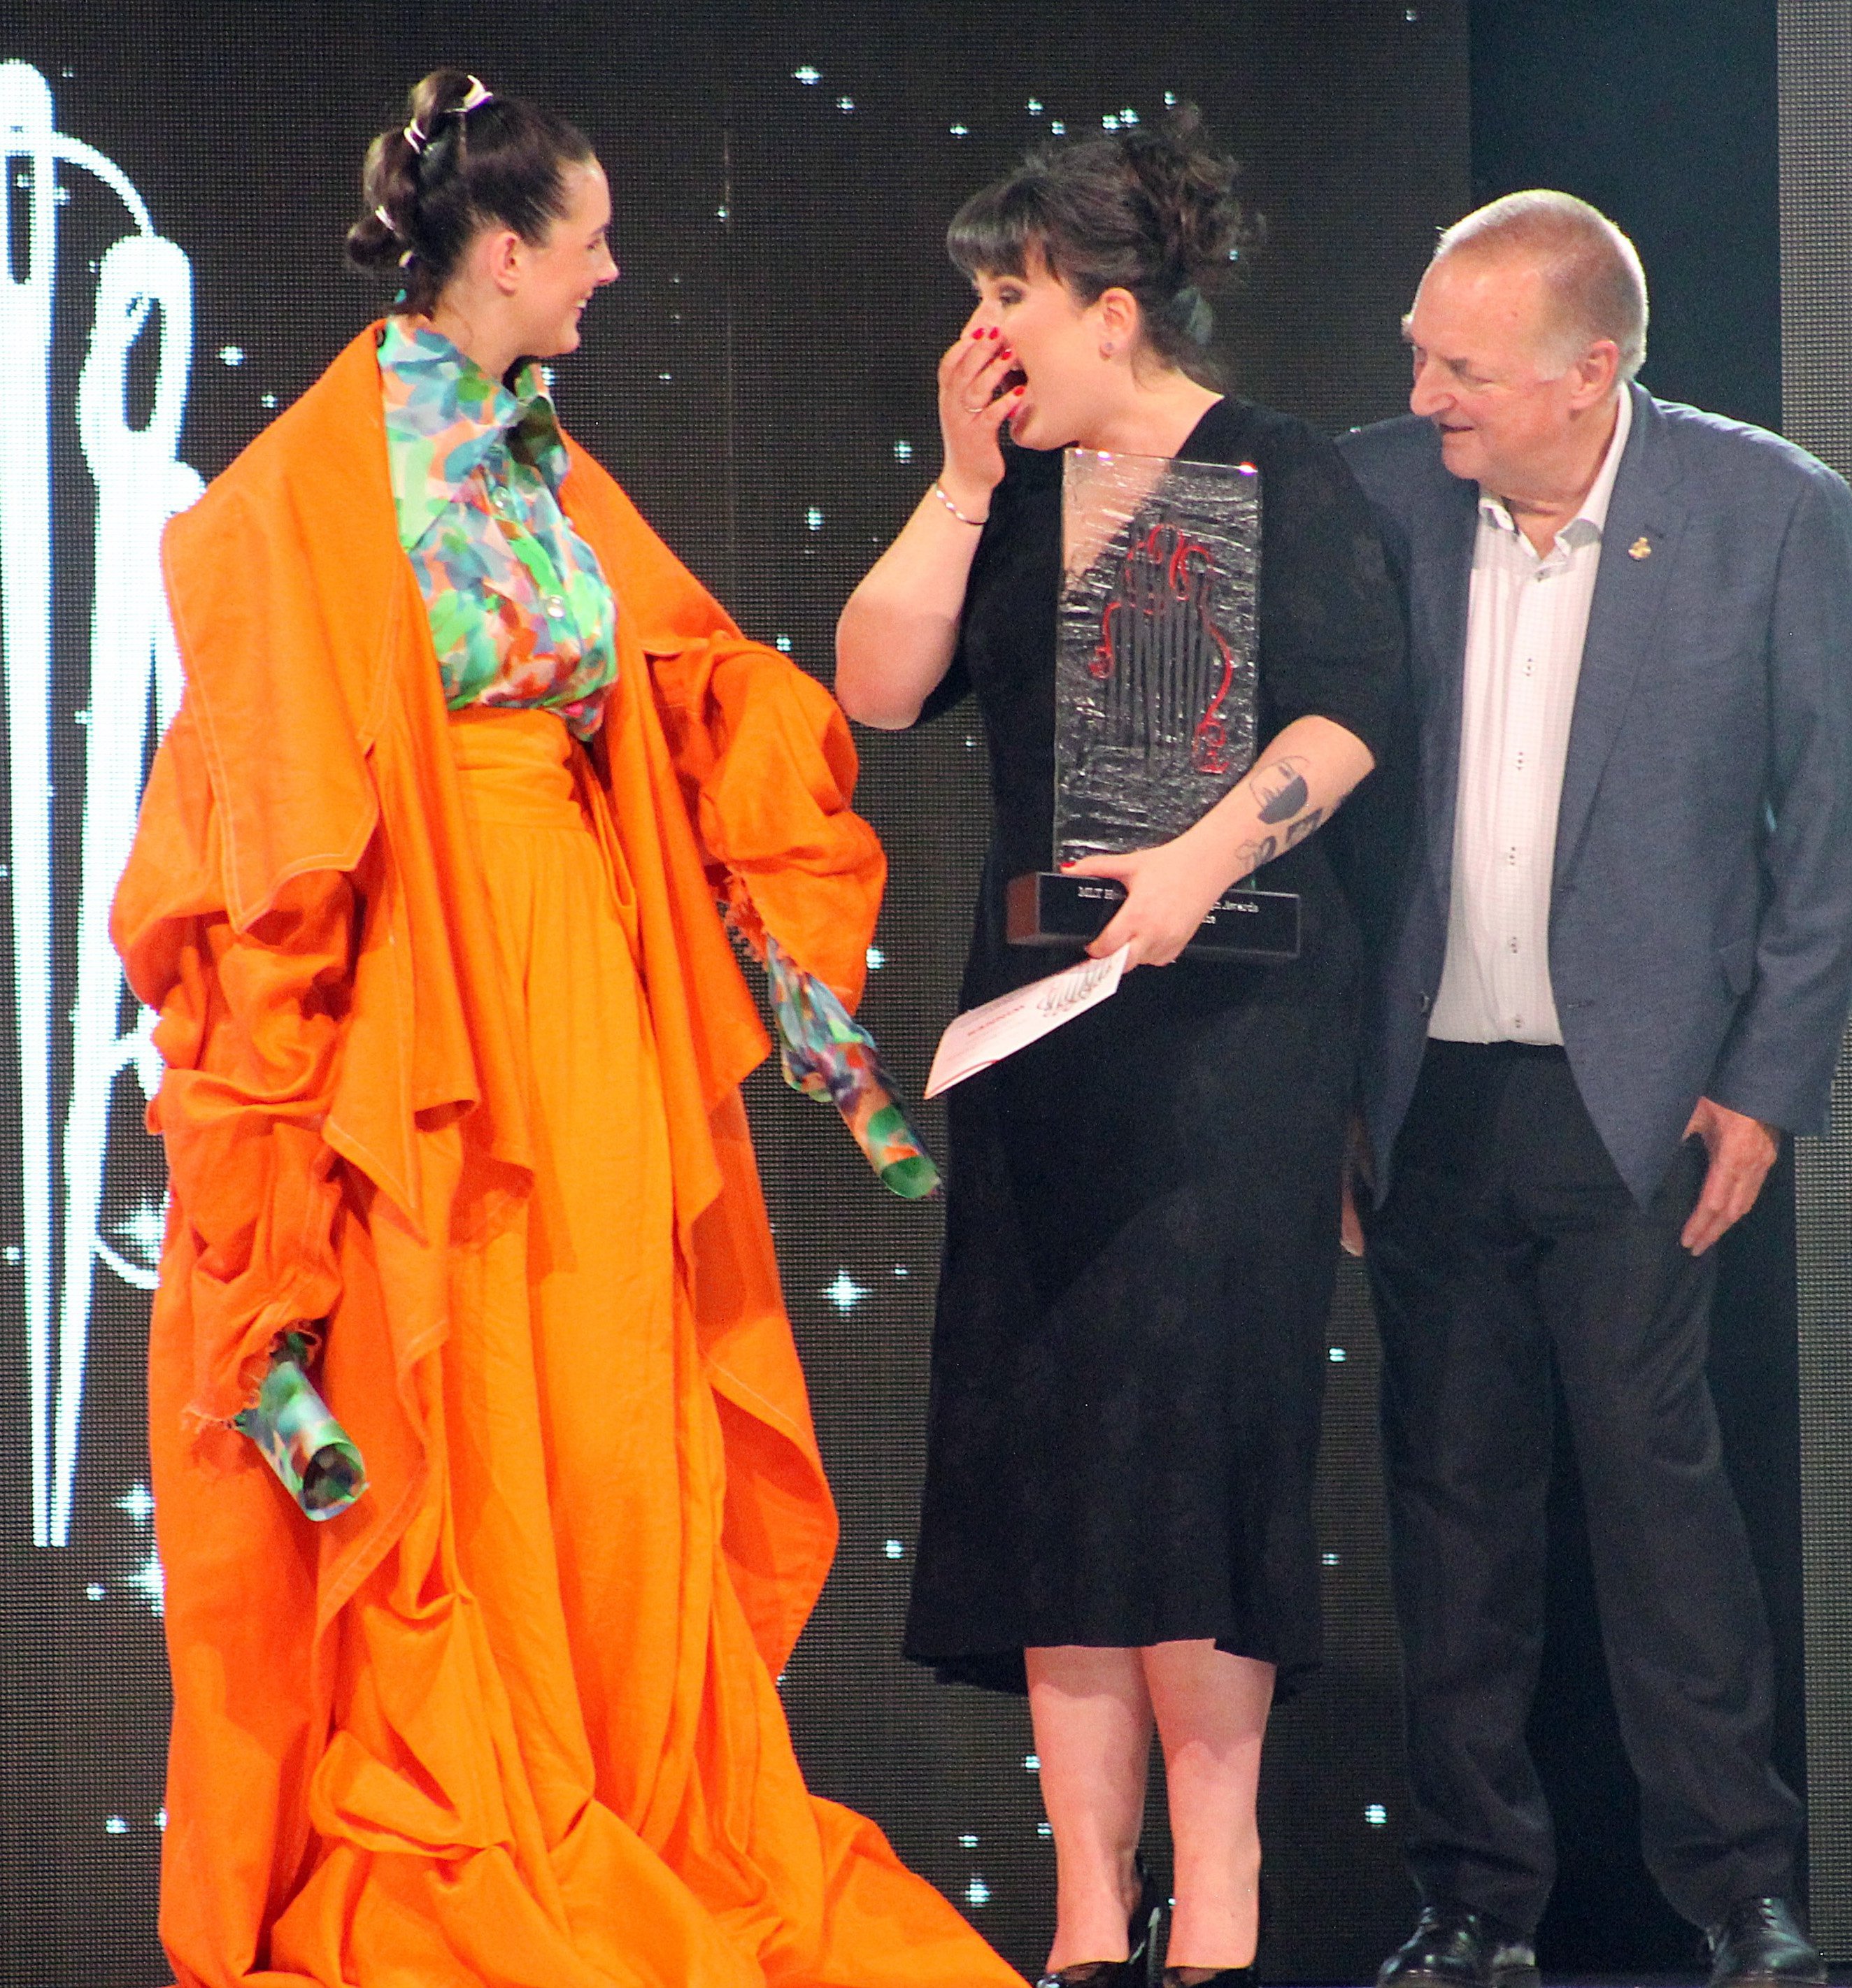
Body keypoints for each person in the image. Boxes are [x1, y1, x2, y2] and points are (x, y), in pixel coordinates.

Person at [111, 69, 1022, 1988]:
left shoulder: (543, 459)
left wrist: (797, 982)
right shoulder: (305, 493)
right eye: (591, 241)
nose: (615, 271)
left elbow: (685, 686)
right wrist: (265, 1140)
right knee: (463, 1400)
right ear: (503, 252)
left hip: (579, 976)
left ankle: (636, 1775)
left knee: (613, 1399)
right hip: (427, 1010)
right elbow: (270, 821)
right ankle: (486, 1794)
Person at [835, 110, 1405, 1988]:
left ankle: (1218, 1899)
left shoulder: (1282, 470)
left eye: (1011, 296)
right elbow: (878, 683)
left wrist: (1204, 854)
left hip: (1233, 1028)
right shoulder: (1002, 486)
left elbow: (1344, 723)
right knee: (1048, 1445)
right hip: (1040, 1034)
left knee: (1195, 1437)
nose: (988, 328)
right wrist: (955, 472)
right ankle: (1089, 1907)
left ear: (1113, 304)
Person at [1337, 191, 1852, 1988]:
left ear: (1592, 374)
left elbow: (1830, 836)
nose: (1421, 390)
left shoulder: (1769, 514)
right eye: (1420, 348)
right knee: (1447, 1498)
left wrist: (1764, 1085)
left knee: (1657, 1496)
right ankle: (1471, 1903)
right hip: (1424, 1092)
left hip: (1643, 1096)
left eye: (1459, 365)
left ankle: (1737, 1895)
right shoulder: (1374, 497)